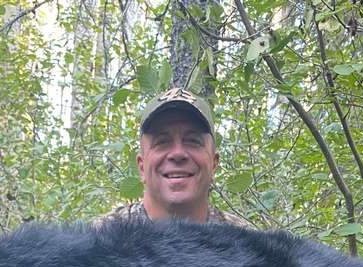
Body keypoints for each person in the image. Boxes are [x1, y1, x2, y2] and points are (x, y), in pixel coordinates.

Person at [97, 88, 251, 228]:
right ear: (142, 167)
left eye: (192, 141)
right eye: (162, 142)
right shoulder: (100, 242)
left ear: (214, 164)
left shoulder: (247, 245)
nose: (178, 154)